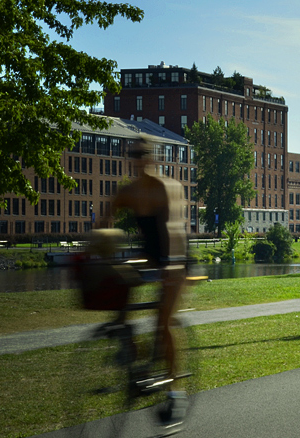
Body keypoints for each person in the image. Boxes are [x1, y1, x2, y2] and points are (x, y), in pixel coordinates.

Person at [111, 136, 188, 422]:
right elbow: (104, 222)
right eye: (134, 153)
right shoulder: (128, 192)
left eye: (143, 153)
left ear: (152, 157)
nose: (139, 158)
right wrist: (91, 252)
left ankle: (174, 393)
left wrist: (172, 266)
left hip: (175, 258)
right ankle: (131, 350)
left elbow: (172, 229)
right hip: (149, 256)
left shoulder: (165, 187)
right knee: (118, 279)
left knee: (163, 323)